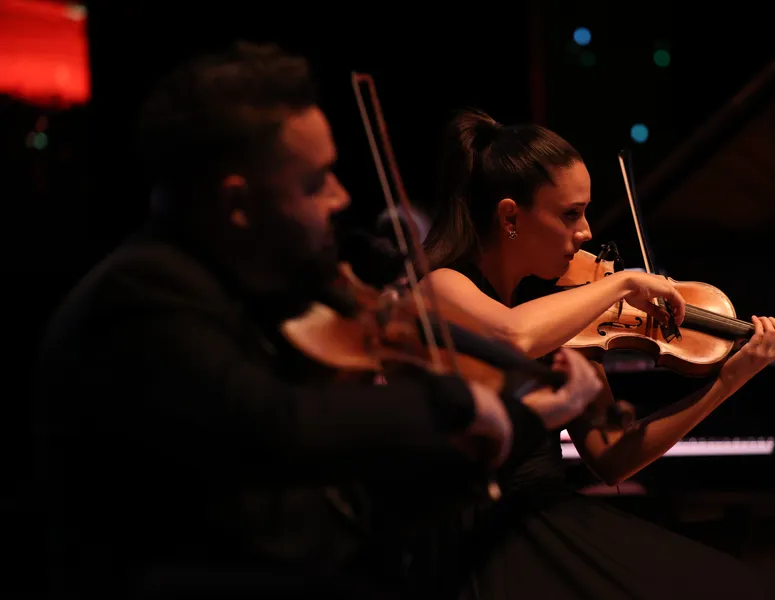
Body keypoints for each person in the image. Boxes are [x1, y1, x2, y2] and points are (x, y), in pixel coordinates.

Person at [31, 44, 604, 599]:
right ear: (236, 203)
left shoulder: (252, 292)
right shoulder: (143, 297)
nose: (341, 196)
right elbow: (278, 426)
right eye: (315, 181)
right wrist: (455, 402)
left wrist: (524, 421)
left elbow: (361, 506)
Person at [418, 108, 775, 599]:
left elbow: (612, 457)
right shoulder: (443, 287)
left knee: (769, 591)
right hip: (487, 538)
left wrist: (728, 381)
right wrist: (621, 283)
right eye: (570, 214)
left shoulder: (561, 309)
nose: (586, 233)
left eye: (585, 213)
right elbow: (514, 336)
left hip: (553, 518)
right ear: (510, 216)